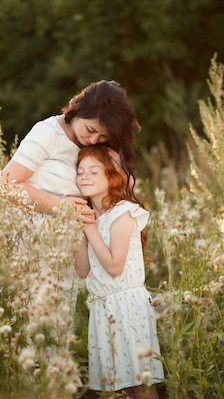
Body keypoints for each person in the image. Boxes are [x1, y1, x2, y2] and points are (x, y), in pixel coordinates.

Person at [75, 146, 164, 399]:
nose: (84, 176)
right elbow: (82, 270)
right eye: (80, 171)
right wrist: (80, 230)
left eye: (94, 171)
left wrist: (90, 229)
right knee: (123, 386)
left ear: (112, 176)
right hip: (103, 308)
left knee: (142, 385)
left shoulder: (122, 213)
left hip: (127, 306)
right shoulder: (93, 217)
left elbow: (114, 267)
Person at [0, 80, 140, 223]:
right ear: (78, 110)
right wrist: (60, 206)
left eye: (103, 136)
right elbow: (5, 185)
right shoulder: (48, 132)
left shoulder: (98, 147)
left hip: (76, 240)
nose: (94, 140)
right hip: (33, 238)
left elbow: (124, 186)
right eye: (90, 130)